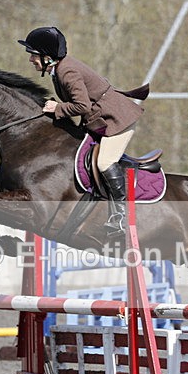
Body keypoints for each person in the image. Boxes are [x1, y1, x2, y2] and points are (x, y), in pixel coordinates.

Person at [18, 26, 148, 237]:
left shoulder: (67, 72)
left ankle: (121, 216)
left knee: (104, 162)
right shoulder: (59, 69)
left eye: (33, 54)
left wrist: (58, 108)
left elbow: (83, 106)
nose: (31, 59)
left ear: (47, 57)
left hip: (117, 120)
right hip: (101, 120)